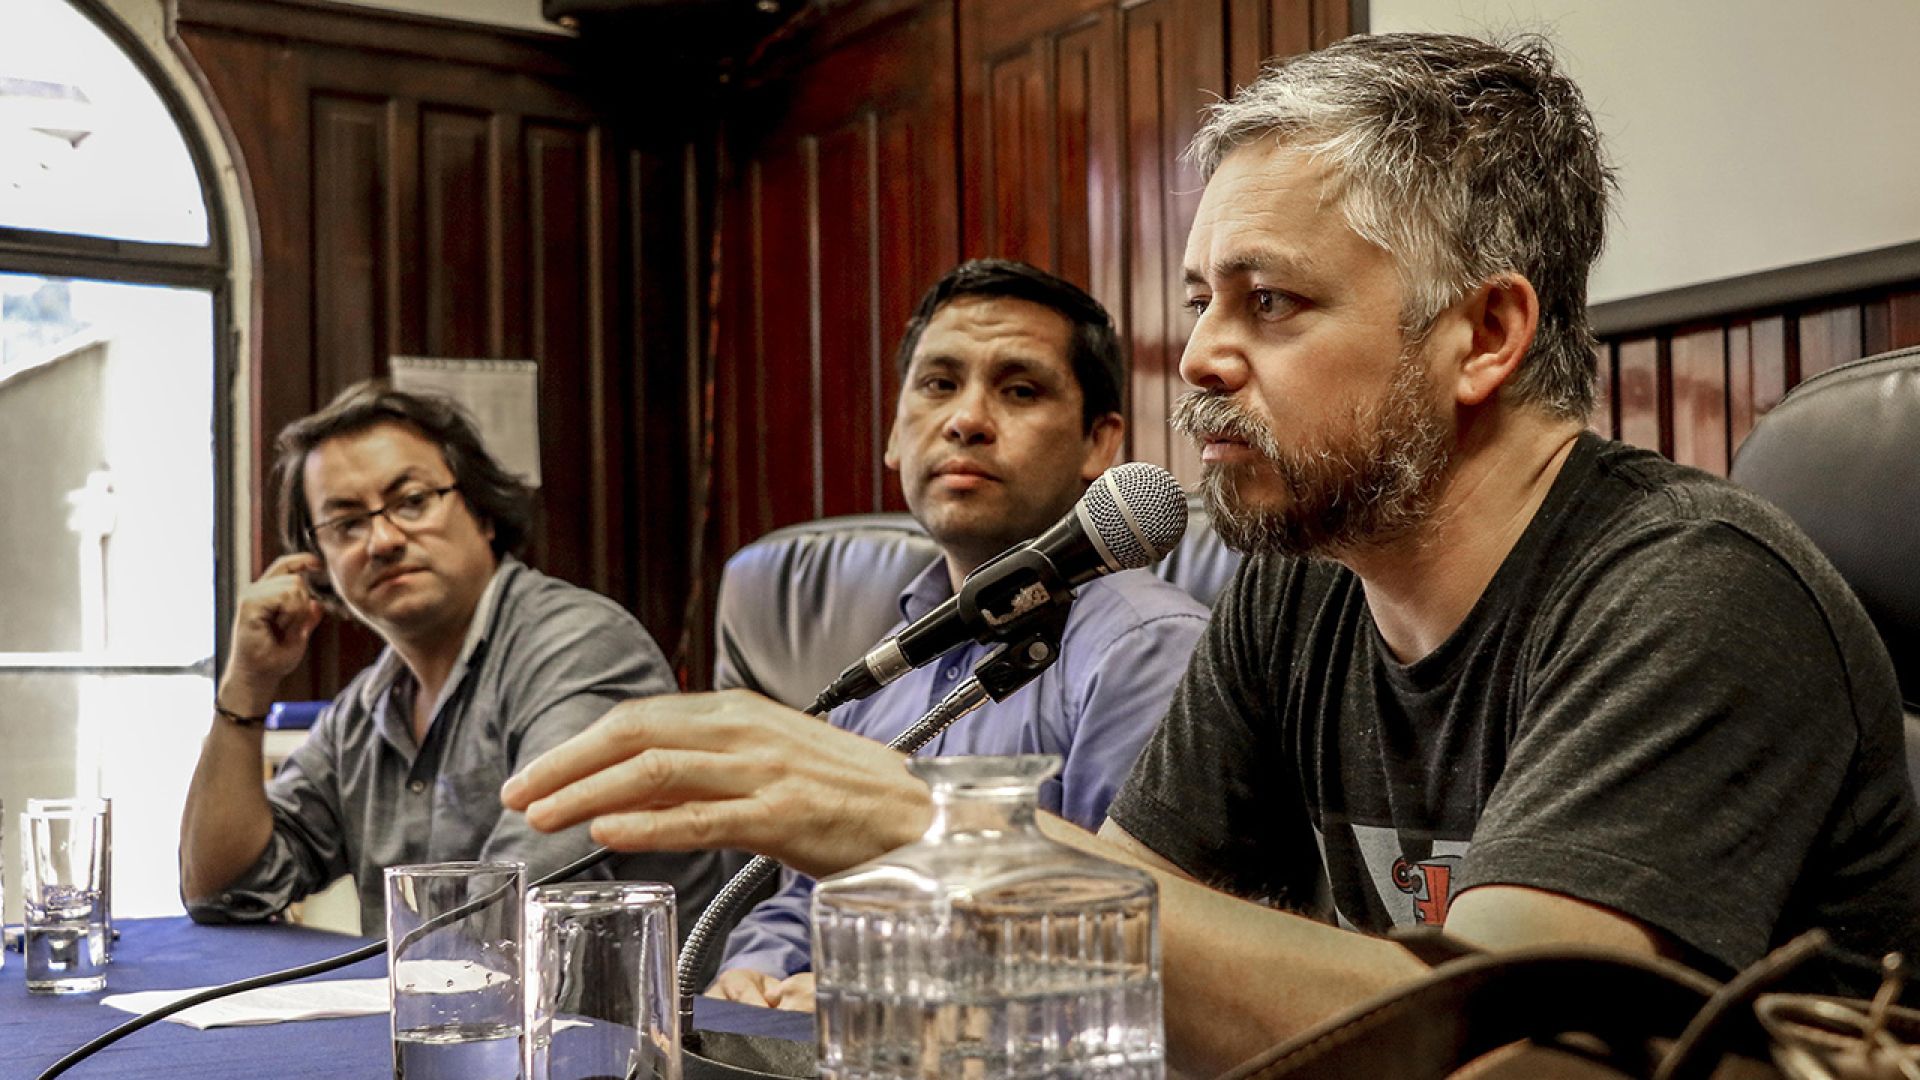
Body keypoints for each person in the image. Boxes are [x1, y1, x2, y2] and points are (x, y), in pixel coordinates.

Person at [501, 32, 1920, 1074]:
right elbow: (1119, 963)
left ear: (1484, 334)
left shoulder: (1694, 592)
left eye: (1270, 303)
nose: (1199, 357)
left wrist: (932, 836)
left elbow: (1504, 1045)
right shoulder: (1300, 594)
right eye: (1199, 301)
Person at [702, 259, 1211, 1010]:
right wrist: (756, 978)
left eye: (1020, 390)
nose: (966, 419)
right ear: (894, 434)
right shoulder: (884, 663)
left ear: (1099, 444)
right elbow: (804, 898)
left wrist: (871, 992)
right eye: (939, 384)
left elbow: (1131, 937)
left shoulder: (1145, 647)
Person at [180, 381, 726, 937]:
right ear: (318, 564)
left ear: (482, 512)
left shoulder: (580, 647)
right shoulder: (364, 711)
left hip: (620, 998)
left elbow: (510, 916)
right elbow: (223, 891)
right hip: (444, 993)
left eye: (412, 501)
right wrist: (246, 685)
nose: (383, 540)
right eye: (347, 524)